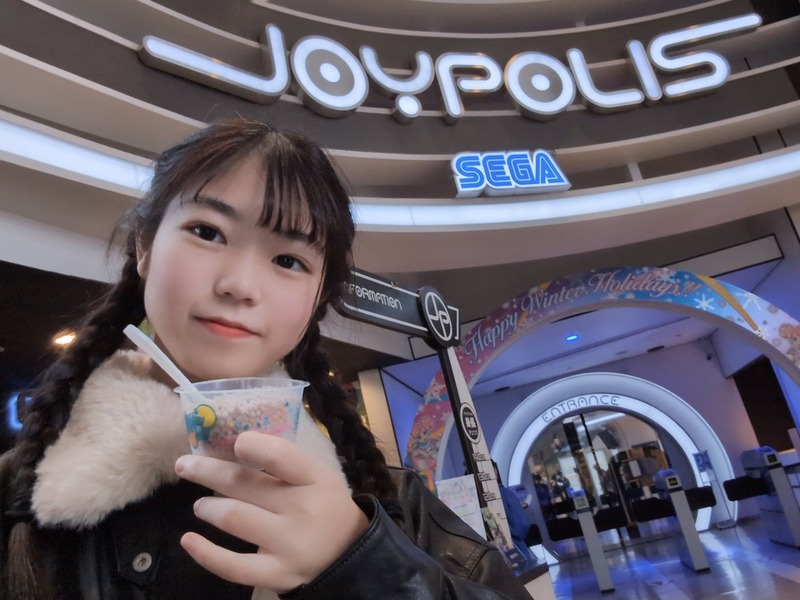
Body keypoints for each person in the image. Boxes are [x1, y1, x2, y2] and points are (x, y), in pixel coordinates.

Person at [0, 119, 531, 599]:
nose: (239, 285)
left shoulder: (393, 506)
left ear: (318, 296)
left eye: (288, 259)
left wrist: (358, 561)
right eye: (207, 232)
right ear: (145, 247)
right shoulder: (15, 492)